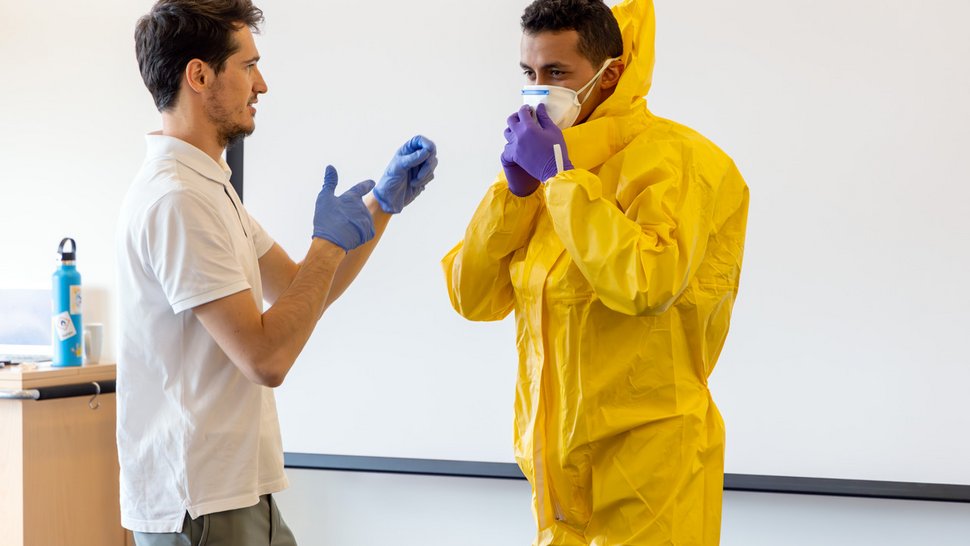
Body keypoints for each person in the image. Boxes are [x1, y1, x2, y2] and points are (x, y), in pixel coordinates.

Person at [116, 1, 437, 543]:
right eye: (248, 66)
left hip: (236, 493)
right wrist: (329, 241)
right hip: (201, 503)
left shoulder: (205, 187)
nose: (261, 85)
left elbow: (300, 291)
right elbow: (266, 359)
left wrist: (381, 207)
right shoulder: (177, 200)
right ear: (199, 75)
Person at [442, 0, 748, 544]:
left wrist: (561, 180)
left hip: (651, 471)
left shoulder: (681, 162)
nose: (538, 91)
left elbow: (645, 284)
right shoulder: (544, 172)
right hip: (556, 477)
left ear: (609, 74)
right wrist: (514, 196)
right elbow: (472, 297)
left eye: (557, 73)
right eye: (529, 73)